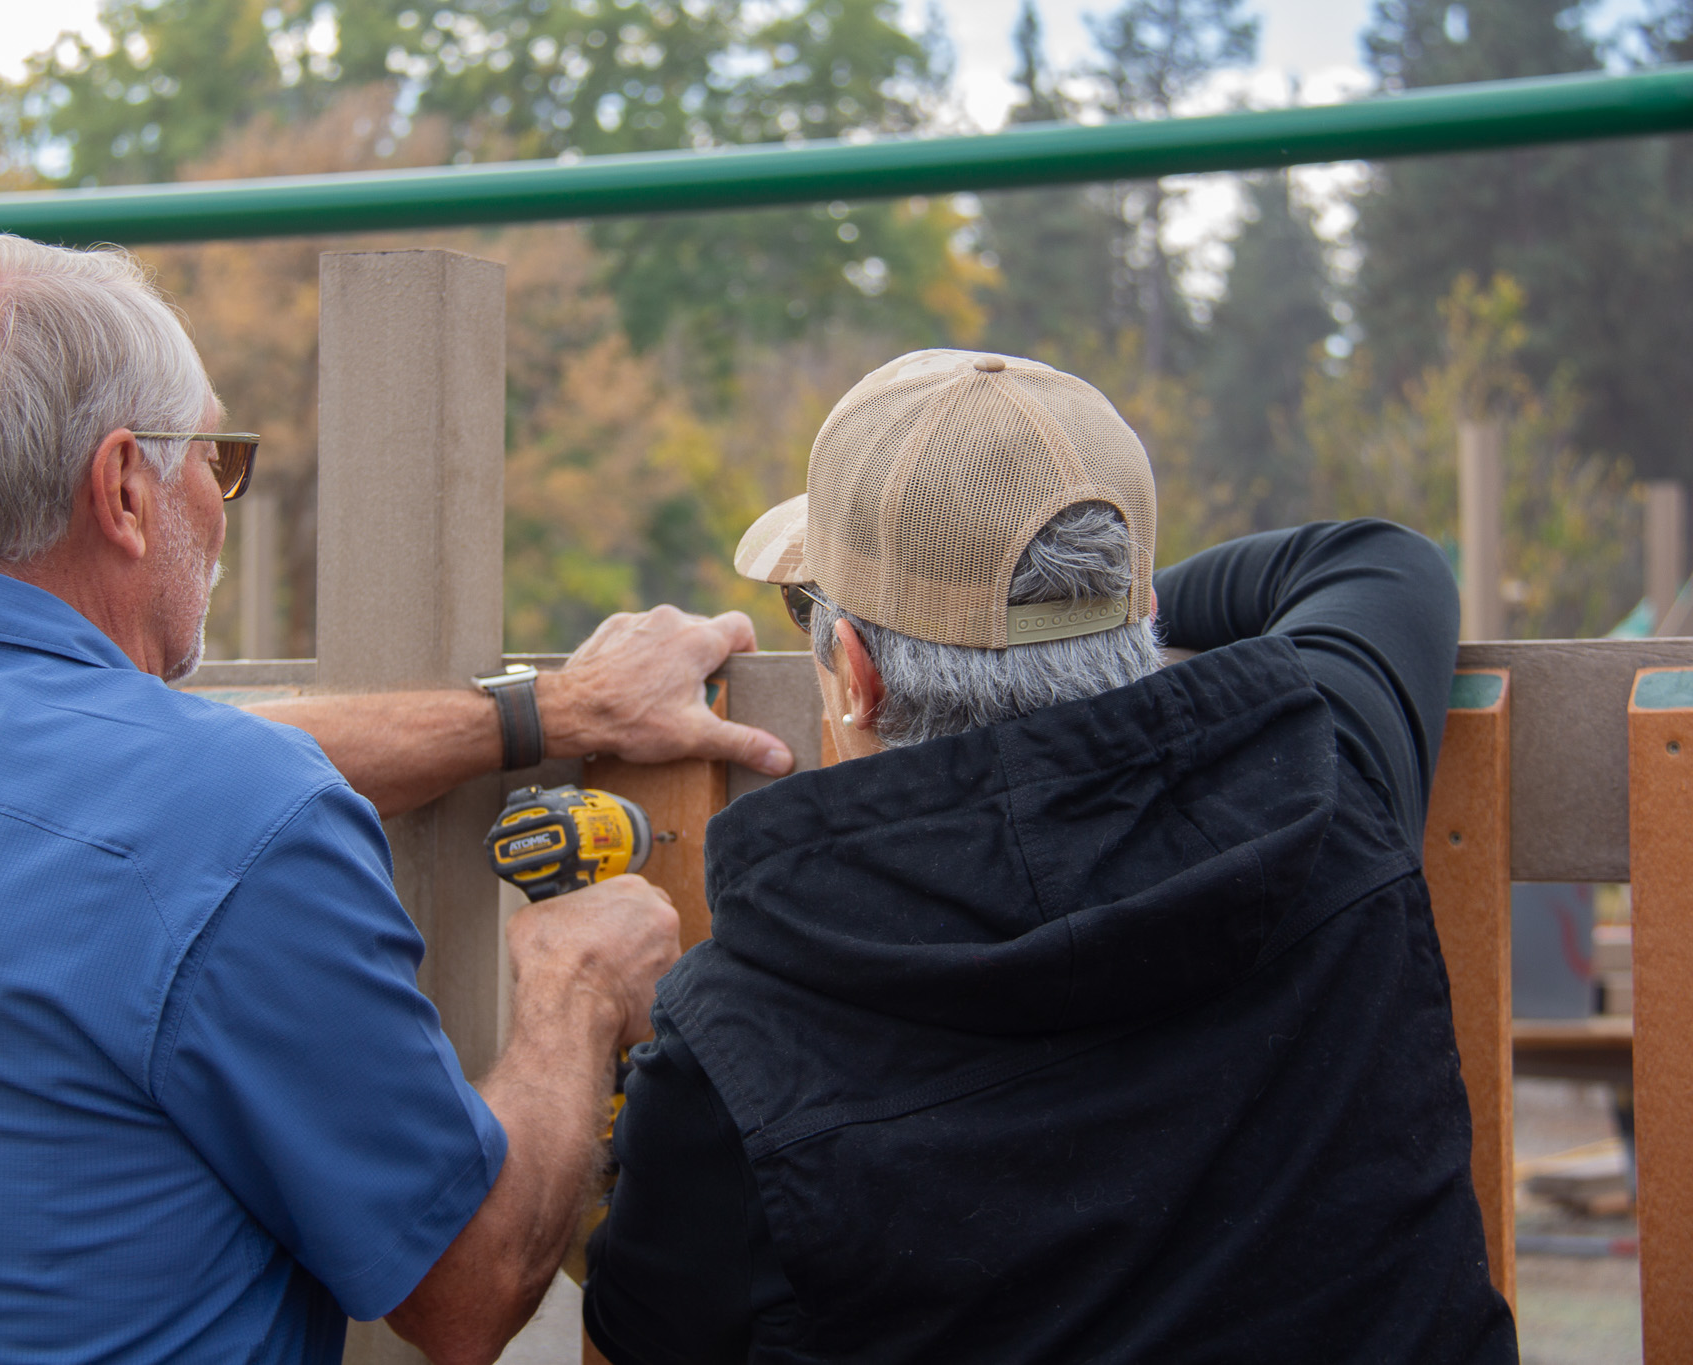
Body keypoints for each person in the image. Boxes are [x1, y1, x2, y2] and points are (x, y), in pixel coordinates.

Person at [0, 233, 792, 1365]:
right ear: (125, 488)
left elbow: (125, 776)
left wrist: (545, 715)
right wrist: (574, 987)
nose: (221, 499)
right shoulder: (227, 817)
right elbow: (468, 1288)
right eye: (214, 459)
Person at [583, 349, 1518, 1364]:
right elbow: (1375, 562)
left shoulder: (739, 1038)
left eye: (809, 614)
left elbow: (645, 1328)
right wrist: (1077, 614)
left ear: (853, 676)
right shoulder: (1324, 794)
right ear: (1144, 618)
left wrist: (574, 1002)